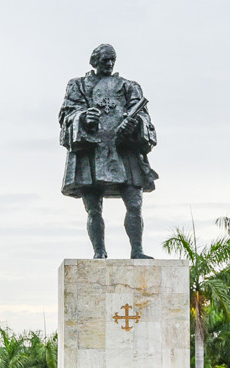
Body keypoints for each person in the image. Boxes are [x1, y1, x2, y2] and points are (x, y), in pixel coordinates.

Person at [59, 44, 158, 259]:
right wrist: (83, 118)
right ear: (94, 61)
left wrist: (136, 124)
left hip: (123, 150)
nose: (110, 64)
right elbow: (67, 115)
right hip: (92, 151)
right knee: (93, 209)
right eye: (105, 60)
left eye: (113, 60)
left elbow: (145, 118)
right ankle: (99, 251)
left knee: (135, 204)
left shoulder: (129, 87)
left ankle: (137, 250)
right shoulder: (78, 86)